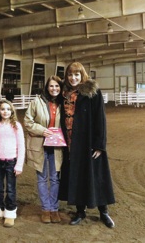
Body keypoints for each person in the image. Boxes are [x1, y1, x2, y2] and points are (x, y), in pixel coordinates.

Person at [59, 62, 115, 228]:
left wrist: (99, 144)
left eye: (77, 74)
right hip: (70, 143)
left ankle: (103, 211)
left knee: (96, 176)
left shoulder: (92, 92)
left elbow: (100, 119)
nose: (73, 77)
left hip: (89, 143)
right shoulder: (64, 93)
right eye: (70, 74)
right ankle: (80, 211)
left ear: (82, 75)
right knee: (76, 176)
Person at [23, 75, 64, 224]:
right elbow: (28, 121)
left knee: (55, 179)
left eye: (57, 86)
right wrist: (42, 130)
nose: (54, 89)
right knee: (42, 179)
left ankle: (54, 208)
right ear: (47, 87)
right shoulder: (36, 102)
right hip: (40, 145)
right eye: (52, 86)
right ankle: (45, 208)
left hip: (56, 147)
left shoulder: (63, 104)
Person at [0, 99, 25, 227]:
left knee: (10, 189)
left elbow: (21, 146)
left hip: (11, 162)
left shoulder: (17, 126)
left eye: (8, 109)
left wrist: (19, 164)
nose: (5, 111)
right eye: (3, 109)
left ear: (12, 111)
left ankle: (10, 213)